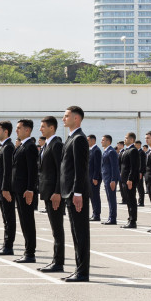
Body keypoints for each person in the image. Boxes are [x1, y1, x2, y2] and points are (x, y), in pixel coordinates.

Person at [57, 106, 90, 281]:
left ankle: (83, 272)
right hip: (69, 192)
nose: (63, 119)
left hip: (76, 193)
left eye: (66, 116)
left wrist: (77, 192)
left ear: (76, 118)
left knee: (81, 233)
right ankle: (79, 269)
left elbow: (80, 168)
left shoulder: (79, 139)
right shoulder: (71, 138)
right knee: (76, 233)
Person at [38, 116, 65, 269]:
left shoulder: (56, 145)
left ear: (52, 128)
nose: (40, 129)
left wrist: (57, 192)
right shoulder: (46, 145)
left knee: (57, 228)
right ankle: (56, 260)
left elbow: (61, 171)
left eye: (43, 126)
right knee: (55, 229)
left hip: (54, 194)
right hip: (47, 192)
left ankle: (58, 262)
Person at [12, 120, 38, 262]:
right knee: (23, 221)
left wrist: (30, 189)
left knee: (28, 221)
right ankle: (27, 251)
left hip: (25, 191)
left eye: (19, 128)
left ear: (27, 130)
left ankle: (30, 253)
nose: (16, 130)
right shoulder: (22, 146)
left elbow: (32, 170)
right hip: (19, 189)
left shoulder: (30, 147)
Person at [0, 121, 16, 255]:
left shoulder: (8, 147)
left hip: (5, 188)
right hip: (0, 187)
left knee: (9, 218)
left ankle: (8, 246)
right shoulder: (3, 146)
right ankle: (5, 245)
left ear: (6, 132)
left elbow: (8, 170)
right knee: (5, 218)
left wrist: (5, 188)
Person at [118, 132, 139, 229]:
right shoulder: (126, 150)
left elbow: (134, 167)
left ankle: (132, 221)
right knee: (128, 200)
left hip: (129, 180)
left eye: (126, 138)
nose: (124, 139)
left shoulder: (133, 150)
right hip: (124, 179)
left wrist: (130, 179)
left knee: (131, 200)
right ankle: (130, 219)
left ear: (132, 140)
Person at [101, 135, 119, 225]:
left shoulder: (111, 152)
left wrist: (113, 180)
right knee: (109, 199)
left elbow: (114, 167)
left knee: (112, 199)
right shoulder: (106, 151)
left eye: (103, 140)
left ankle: (112, 218)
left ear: (108, 141)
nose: (101, 142)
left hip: (110, 179)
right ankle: (110, 217)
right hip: (106, 178)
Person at [87, 134, 101, 222]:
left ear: (93, 140)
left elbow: (97, 166)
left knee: (95, 197)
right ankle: (94, 213)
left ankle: (97, 215)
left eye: (88, 140)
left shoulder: (96, 151)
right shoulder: (91, 150)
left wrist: (95, 177)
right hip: (89, 177)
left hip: (94, 178)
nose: (87, 142)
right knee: (92, 197)